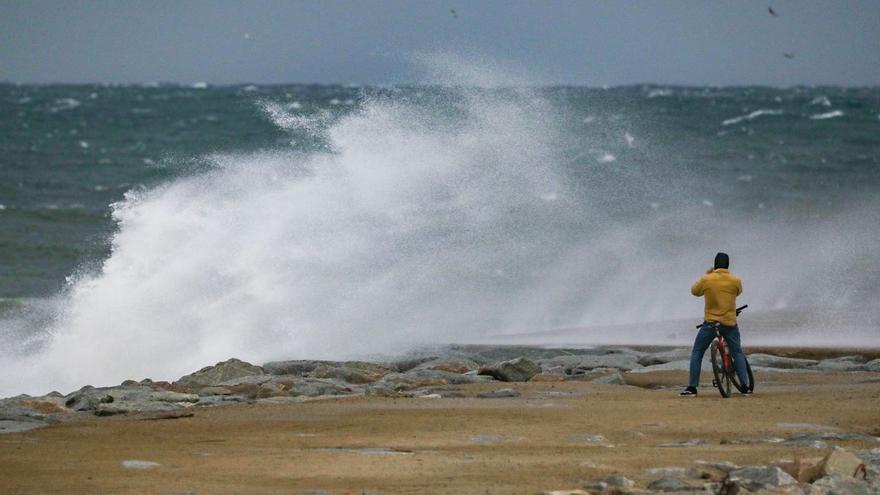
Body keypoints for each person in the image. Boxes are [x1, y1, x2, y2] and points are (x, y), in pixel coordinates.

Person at [680, 252, 749, 396]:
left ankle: (692, 388)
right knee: (737, 352)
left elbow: (694, 291)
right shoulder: (735, 280)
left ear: (715, 265)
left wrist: (707, 274)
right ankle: (745, 387)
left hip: (711, 323)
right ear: (728, 265)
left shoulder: (707, 279)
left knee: (697, 352)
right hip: (729, 323)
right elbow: (738, 292)